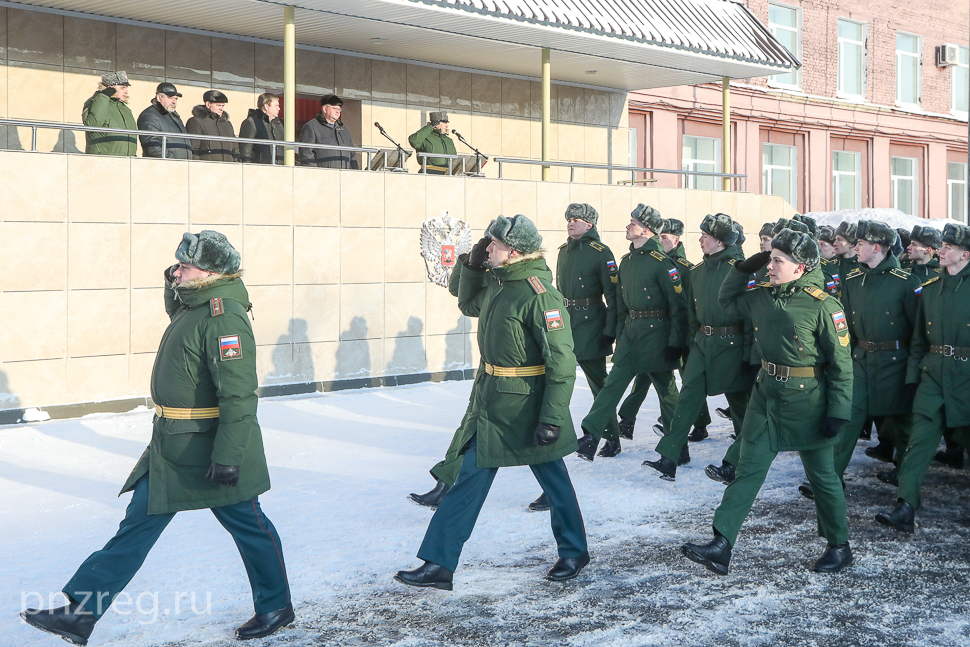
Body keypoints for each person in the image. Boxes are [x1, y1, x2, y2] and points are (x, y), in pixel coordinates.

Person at [20, 231, 293, 644]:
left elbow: (238, 392)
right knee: (136, 524)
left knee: (250, 526)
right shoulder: (197, 304)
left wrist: (230, 455)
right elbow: (179, 313)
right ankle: (81, 613)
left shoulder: (224, 316)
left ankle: (276, 606)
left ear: (210, 273)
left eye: (184, 266)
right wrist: (173, 283)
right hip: (175, 446)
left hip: (212, 448)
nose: (177, 271)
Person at [394, 215, 589, 589]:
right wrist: (471, 265)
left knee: (556, 483)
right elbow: (467, 303)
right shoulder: (500, 283)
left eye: (494, 245)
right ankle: (439, 565)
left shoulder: (538, 293)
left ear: (513, 252)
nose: (489, 249)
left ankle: (573, 551)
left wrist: (551, 418)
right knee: (468, 479)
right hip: (493, 404)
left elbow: (562, 363)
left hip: (528, 408)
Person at [681, 228, 854, 575]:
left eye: (777, 261)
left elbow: (841, 365)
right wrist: (744, 268)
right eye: (770, 259)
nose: (770, 266)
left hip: (808, 402)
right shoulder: (761, 295)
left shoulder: (823, 304)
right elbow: (724, 302)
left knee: (823, 478)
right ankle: (721, 543)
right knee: (747, 471)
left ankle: (839, 545)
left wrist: (838, 412)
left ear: (800, 267)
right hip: (766, 397)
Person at [798, 221, 920, 501]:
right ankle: (829, 481)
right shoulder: (853, 279)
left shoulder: (906, 283)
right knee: (847, 418)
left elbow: (918, 335)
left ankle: (908, 492)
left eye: (861, 244)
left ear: (876, 247)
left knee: (904, 427)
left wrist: (913, 375)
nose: (856, 248)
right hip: (862, 361)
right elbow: (847, 329)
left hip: (897, 364)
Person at [875, 224, 970, 534]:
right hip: (933, 375)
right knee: (918, 443)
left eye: (948, 247)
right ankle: (905, 506)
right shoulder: (929, 288)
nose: (941, 250)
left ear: (965, 254)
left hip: (966, 377)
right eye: (942, 245)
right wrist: (913, 378)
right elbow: (918, 341)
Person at [643, 214, 750, 482]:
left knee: (742, 408)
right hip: (703, 344)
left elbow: (752, 317)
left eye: (706, 236)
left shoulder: (741, 270)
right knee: (687, 398)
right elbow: (691, 314)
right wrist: (689, 345)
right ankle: (669, 457)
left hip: (734, 346)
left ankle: (741, 461)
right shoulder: (697, 272)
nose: (700, 240)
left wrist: (751, 355)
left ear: (721, 242)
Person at [576, 205, 687, 461]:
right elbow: (621, 304)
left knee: (667, 393)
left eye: (633, 222)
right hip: (631, 334)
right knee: (612, 386)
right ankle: (591, 436)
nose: (628, 226)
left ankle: (678, 447)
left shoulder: (663, 264)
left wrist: (675, 342)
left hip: (658, 335)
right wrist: (616, 333)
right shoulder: (626, 262)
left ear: (646, 229)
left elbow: (678, 308)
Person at [618, 218, 709, 442]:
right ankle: (628, 419)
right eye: (659, 237)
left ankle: (699, 422)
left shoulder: (686, 269)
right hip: (658, 334)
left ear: (676, 240)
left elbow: (687, 305)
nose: (661, 241)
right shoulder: (650, 261)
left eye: (665, 238)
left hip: (682, 333)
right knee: (646, 376)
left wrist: (682, 337)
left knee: (688, 381)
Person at [82, 71, 137, 156]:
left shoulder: (124, 108)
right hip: (104, 161)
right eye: (122, 88)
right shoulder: (95, 102)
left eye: (126, 88)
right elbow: (93, 124)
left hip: (127, 162)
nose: (126, 91)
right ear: (110, 88)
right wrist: (104, 96)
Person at [299, 94, 358, 169]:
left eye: (339, 109)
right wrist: (315, 173)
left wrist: (354, 173)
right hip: (323, 176)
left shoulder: (344, 129)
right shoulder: (312, 127)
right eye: (334, 108)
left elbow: (352, 154)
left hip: (344, 176)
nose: (338, 112)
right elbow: (306, 154)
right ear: (325, 109)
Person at [136, 82, 191, 159]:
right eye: (170, 97)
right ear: (159, 98)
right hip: (165, 167)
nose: (174, 101)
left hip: (183, 165)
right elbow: (153, 147)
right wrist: (172, 160)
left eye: (176, 98)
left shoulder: (174, 116)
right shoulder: (149, 116)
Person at [186, 90, 239, 162]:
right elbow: (193, 148)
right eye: (218, 105)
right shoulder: (196, 121)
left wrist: (236, 164)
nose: (221, 108)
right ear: (208, 104)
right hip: (206, 168)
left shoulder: (227, 124)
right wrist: (196, 166)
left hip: (228, 168)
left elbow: (235, 148)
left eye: (223, 105)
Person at [239, 93, 284, 164]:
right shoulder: (252, 122)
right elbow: (245, 149)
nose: (279, 108)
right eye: (276, 106)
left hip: (280, 170)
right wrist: (247, 167)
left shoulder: (278, 124)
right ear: (266, 106)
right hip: (260, 169)